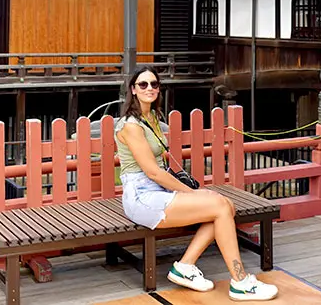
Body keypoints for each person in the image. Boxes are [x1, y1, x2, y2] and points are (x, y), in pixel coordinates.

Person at [115, 66, 278, 301]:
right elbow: (153, 173)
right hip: (143, 196)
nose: (150, 88)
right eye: (143, 84)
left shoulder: (151, 117)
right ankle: (240, 282)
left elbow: (161, 168)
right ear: (133, 89)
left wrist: (195, 194)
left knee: (225, 206)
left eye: (154, 84)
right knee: (219, 206)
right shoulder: (131, 125)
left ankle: (185, 266)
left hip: (159, 191)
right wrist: (193, 193)